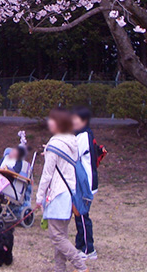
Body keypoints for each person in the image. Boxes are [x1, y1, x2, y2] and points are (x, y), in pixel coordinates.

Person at [35, 108, 88, 272]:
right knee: (61, 235)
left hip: (57, 193)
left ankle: (81, 266)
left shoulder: (55, 144)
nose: (49, 123)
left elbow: (47, 174)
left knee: (56, 236)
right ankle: (60, 268)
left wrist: (39, 196)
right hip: (69, 194)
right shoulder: (72, 141)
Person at [72, 106, 98, 260]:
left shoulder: (84, 136)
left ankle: (89, 249)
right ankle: (80, 245)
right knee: (79, 214)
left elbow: (72, 154)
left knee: (82, 215)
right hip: (82, 182)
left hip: (85, 183)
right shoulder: (82, 135)